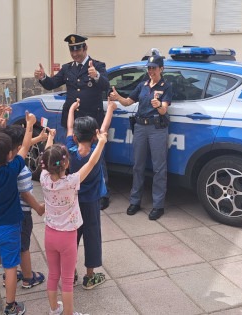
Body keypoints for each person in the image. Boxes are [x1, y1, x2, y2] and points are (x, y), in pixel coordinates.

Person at [34, 34, 111, 210]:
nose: (75, 53)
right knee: (68, 155)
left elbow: (106, 86)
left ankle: (103, 194)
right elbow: (52, 83)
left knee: (97, 156)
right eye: (72, 49)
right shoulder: (67, 68)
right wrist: (43, 76)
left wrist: (97, 76)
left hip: (91, 122)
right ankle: (71, 187)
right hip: (71, 120)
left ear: (85, 49)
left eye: (78, 49)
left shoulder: (98, 65)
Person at [39, 126, 107, 315]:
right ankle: (69, 313)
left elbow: (47, 156)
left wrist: (50, 138)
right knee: (67, 280)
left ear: (46, 165)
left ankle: (54, 309)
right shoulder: (71, 182)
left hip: (49, 234)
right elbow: (91, 163)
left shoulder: (44, 179)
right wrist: (101, 142)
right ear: (66, 163)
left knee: (53, 275)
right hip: (67, 236)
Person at [0, 111, 36, 315]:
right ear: (9, 154)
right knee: (10, 267)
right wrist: (29, 126)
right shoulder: (12, 170)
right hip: (10, 226)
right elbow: (26, 146)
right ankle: (11, 306)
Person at [109, 55, 173, 220]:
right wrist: (118, 98)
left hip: (157, 128)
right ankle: (135, 201)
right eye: (149, 68)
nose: (151, 71)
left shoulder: (166, 86)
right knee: (138, 165)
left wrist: (159, 105)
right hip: (140, 127)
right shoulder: (142, 85)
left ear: (161, 69)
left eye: (154, 68)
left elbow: (164, 110)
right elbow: (128, 102)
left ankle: (158, 205)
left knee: (159, 168)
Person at [66, 97, 116, 289]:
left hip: (73, 203)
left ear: (76, 138)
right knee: (92, 236)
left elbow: (70, 127)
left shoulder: (70, 150)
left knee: (72, 237)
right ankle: (90, 276)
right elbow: (104, 128)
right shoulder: (97, 150)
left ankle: (71, 272)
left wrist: (72, 109)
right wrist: (110, 108)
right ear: (95, 136)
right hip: (92, 202)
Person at [0, 125, 47, 289]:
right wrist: (39, 208)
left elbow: (22, 145)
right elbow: (26, 195)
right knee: (23, 246)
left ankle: (9, 275)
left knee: (10, 245)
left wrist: (38, 138)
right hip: (22, 215)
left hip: (5, 213)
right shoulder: (22, 170)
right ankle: (28, 277)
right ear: (19, 148)